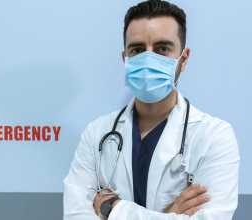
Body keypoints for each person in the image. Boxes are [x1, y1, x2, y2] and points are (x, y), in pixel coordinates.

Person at [63, 0, 240, 219]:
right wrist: (169, 213)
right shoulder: (96, 134)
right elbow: (75, 215)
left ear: (183, 60)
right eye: (137, 50)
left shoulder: (214, 136)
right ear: (125, 59)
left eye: (162, 49)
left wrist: (114, 210)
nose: (148, 59)